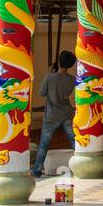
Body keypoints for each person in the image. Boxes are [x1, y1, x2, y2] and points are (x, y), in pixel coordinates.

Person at [31, 50, 77, 178]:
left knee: (44, 144)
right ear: (71, 65)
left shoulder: (49, 77)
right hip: (66, 114)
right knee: (75, 142)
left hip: (51, 115)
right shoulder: (72, 80)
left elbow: (42, 93)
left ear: (59, 61)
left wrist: (52, 73)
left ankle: (37, 170)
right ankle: (80, 167)